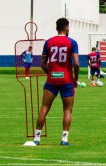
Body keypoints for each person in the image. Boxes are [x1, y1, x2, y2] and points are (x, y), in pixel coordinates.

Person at [33, 17, 80, 146]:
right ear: (67, 28)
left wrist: (50, 74)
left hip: (52, 80)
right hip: (66, 80)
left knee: (44, 108)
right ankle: (64, 139)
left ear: (56, 28)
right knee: (67, 110)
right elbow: (76, 63)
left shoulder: (48, 42)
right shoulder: (72, 42)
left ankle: (37, 138)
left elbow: (42, 63)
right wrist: (75, 78)